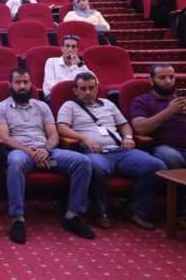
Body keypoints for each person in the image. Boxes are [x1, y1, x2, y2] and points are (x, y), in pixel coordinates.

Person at [0, 69, 94, 244]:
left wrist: (45, 149)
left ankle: (72, 216)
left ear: (31, 84)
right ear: (10, 85)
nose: (22, 86)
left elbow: (53, 135)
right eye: (18, 82)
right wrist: (30, 152)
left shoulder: (42, 106)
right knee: (15, 163)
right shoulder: (0, 108)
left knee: (83, 161)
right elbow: (5, 138)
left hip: (47, 151)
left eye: (25, 82)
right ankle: (17, 219)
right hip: (21, 153)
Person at [57, 72, 166, 230]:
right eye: (83, 89)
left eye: (91, 88)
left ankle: (134, 210)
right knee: (97, 168)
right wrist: (84, 138)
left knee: (157, 167)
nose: (88, 92)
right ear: (75, 91)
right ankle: (100, 212)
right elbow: (61, 127)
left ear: (96, 89)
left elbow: (124, 125)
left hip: (120, 150)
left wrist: (128, 137)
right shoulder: (69, 106)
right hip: (94, 152)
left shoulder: (108, 104)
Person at [131, 63, 186, 218]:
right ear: (151, 80)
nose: (168, 81)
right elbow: (140, 128)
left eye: (171, 77)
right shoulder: (142, 100)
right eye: (162, 77)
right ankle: (180, 210)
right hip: (166, 148)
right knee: (173, 159)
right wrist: (170, 111)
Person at [42, 35, 93, 100]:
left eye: (73, 47)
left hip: (76, 98)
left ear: (77, 50)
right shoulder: (51, 61)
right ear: (62, 48)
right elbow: (49, 85)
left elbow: (95, 82)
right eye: (67, 46)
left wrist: (80, 64)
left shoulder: (79, 65)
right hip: (56, 97)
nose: (70, 49)